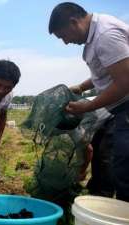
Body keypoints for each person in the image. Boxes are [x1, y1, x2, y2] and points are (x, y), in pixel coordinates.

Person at [49, 2, 129, 201]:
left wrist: (87, 106)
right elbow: (107, 71)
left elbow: (125, 82)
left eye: (63, 36)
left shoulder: (105, 36)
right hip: (120, 111)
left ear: (73, 22)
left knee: (125, 169)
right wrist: (81, 87)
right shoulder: (97, 35)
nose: (65, 42)